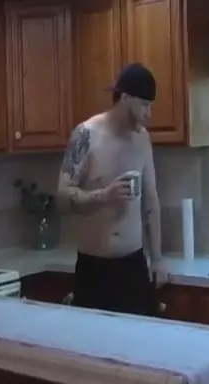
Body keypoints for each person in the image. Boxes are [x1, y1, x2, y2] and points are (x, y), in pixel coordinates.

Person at [56, 63, 168, 315]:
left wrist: (157, 258)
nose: (149, 114)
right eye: (145, 105)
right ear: (126, 98)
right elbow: (62, 198)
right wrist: (104, 196)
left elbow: (151, 201)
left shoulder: (142, 139)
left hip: (133, 267)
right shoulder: (86, 135)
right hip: (94, 270)